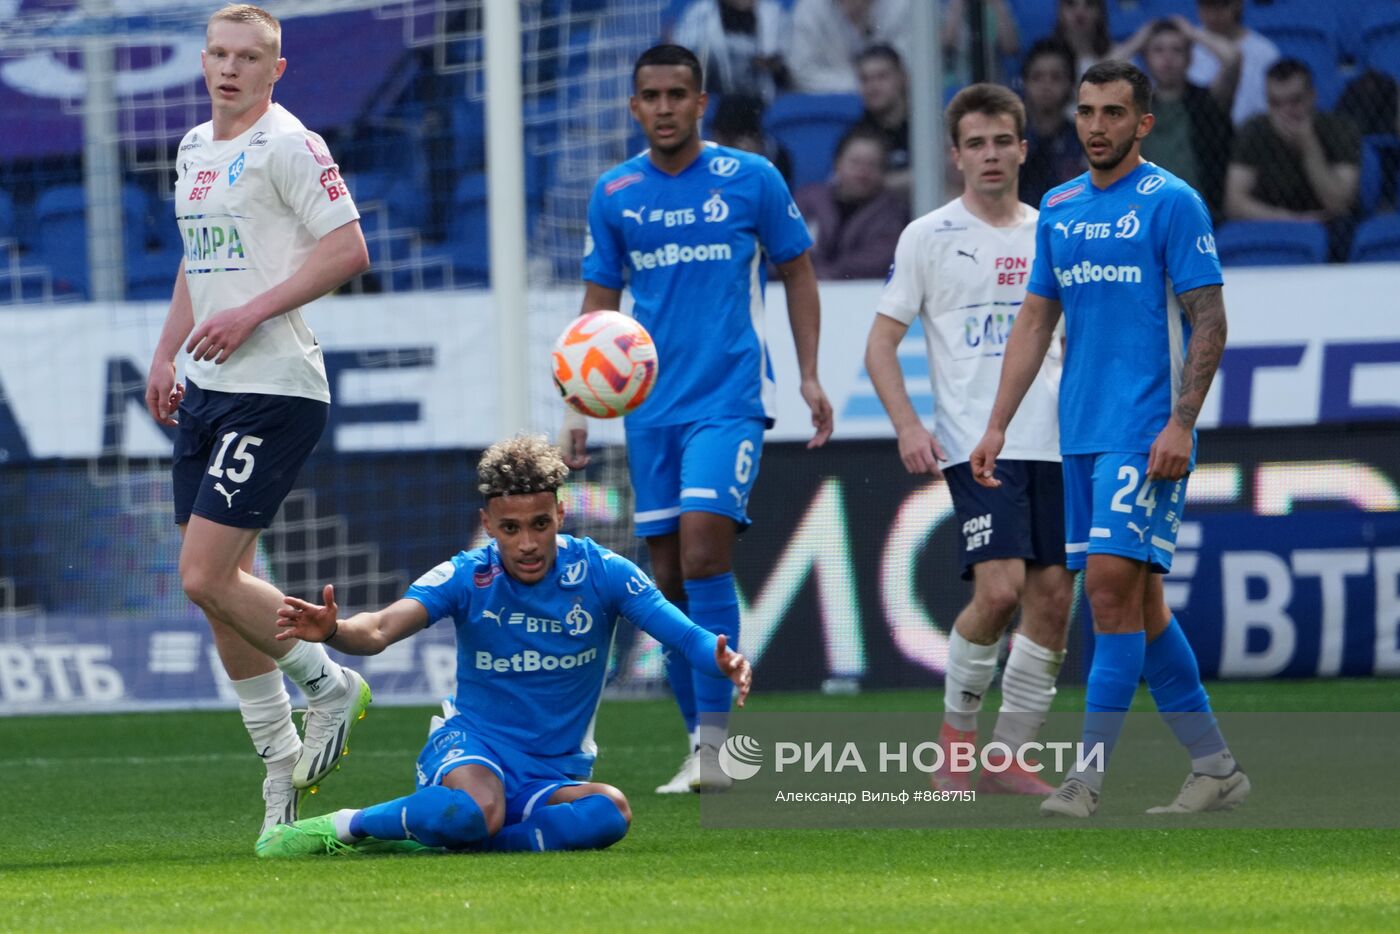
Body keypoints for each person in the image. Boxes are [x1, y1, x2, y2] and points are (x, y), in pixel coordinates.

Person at [970, 61, 1250, 818]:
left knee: (1106, 597)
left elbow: (1210, 320)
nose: (1096, 125)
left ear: (1143, 124)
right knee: (1143, 605)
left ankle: (1084, 780)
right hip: (1081, 435)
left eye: (1114, 113)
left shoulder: (1173, 202)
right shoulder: (1058, 206)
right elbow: (1035, 320)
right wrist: (996, 421)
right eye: (1088, 111)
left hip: (1145, 431)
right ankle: (1216, 766)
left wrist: (1180, 424)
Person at [254, 436, 753, 857]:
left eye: (540, 523)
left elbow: (684, 634)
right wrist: (335, 631)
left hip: (552, 773)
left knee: (611, 812)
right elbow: (382, 628)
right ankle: (346, 825)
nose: (528, 543)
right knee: (477, 808)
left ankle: (448, 834)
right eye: (510, 529)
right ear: (489, 524)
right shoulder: (468, 574)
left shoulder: (603, 572)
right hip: (472, 748)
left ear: (560, 512)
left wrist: (721, 656)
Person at [565, 44, 831, 795]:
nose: (665, 106)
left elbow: (799, 271)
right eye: (650, 95)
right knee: (667, 578)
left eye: (678, 93)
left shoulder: (751, 179)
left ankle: (719, 750)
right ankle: (697, 743)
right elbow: (598, 306)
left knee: (706, 552)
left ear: (701, 101)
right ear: (633, 106)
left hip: (730, 397)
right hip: (649, 408)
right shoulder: (616, 192)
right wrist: (578, 406)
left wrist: (809, 373)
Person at [142, 3, 372, 837]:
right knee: (220, 595)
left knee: (202, 576)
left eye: (250, 56)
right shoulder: (194, 148)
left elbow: (349, 248)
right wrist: (167, 352)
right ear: (203, 62)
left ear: (278, 69)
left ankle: (328, 684)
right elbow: (198, 259)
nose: (231, 68)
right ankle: (277, 762)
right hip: (205, 387)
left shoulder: (291, 145)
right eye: (219, 54)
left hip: (274, 387)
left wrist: (251, 315)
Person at [865, 83, 1071, 797]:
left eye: (1001, 141)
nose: (990, 155)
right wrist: (908, 425)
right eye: (975, 143)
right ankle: (955, 743)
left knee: (1051, 601)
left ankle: (1007, 754)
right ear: (956, 156)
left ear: (1022, 147)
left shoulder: (1053, 230)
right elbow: (880, 347)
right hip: (975, 442)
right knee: (1001, 590)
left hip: (1058, 440)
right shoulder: (927, 237)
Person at [1225, 59, 1360, 259]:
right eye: (1276, 103)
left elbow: (1338, 203)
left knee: (1344, 230)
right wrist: (1293, 220)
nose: (1286, 112)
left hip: (1329, 224)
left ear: (1312, 96)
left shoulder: (1341, 129)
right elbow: (1234, 203)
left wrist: (1309, 146)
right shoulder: (1254, 130)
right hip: (1272, 220)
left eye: (1295, 101)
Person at [1131, 18, 1235, 218]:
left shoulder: (1207, 103)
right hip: (1146, 214)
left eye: (1177, 50)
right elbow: (1097, 76)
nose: (1167, 58)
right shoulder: (1135, 108)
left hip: (1198, 214)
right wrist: (1139, 40)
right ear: (1145, 59)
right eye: (1158, 50)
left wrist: (1193, 33)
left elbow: (1232, 58)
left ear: (1190, 59)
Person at [795, 126, 910, 280]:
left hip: (865, 296)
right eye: (855, 163)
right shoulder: (806, 200)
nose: (862, 172)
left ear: (883, 171)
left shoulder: (893, 213)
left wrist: (823, 275)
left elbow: (877, 262)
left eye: (872, 165)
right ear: (838, 164)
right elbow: (782, 250)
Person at [669, 0, 790, 104]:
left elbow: (790, 70)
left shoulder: (774, 13)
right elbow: (682, 61)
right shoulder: (700, 12)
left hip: (760, 99)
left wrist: (774, 64)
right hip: (711, 98)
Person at [788, 0, 911, 94]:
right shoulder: (810, 8)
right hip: (836, 106)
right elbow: (802, 72)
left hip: (897, 105)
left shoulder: (903, 6)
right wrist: (863, 84)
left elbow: (909, 65)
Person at [1188, 0, 1279, 126]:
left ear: (1238, 4)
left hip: (1251, 134)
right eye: (1207, 7)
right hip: (1198, 132)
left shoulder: (1264, 51)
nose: (1214, 15)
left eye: (1222, 6)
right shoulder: (1187, 46)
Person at [1019, 38, 1086, 208]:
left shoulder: (1084, 141)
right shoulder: (1010, 142)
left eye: (1056, 77)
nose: (1046, 85)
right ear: (1025, 84)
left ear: (1071, 85)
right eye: (1037, 77)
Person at [852, 44, 911, 196]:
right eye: (865, 80)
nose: (872, 87)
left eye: (881, 77)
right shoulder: (856, 136)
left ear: (902, 78)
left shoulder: (928, 125)